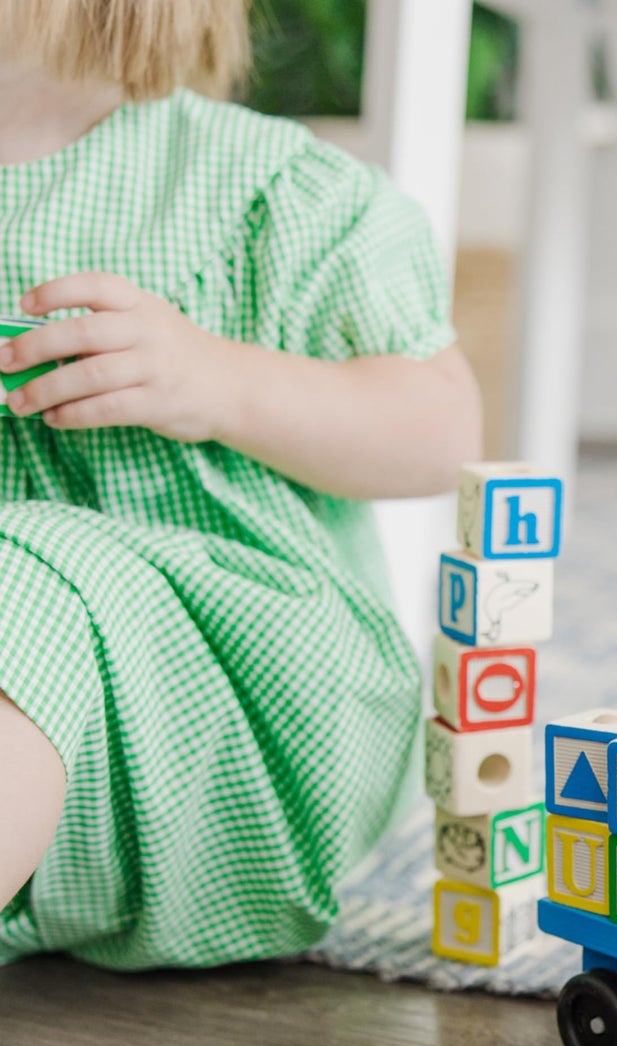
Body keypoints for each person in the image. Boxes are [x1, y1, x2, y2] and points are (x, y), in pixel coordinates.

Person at [0, 0, 482, 968]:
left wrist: (214, 377)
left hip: (237, 711)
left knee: (17, 580)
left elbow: (443, 430)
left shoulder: (259, 190)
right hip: (51, 807)